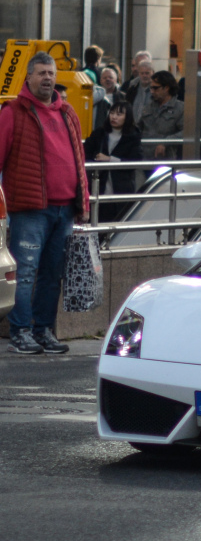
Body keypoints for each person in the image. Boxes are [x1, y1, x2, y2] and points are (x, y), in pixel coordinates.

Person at [0, 52, 90, 354]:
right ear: (28, 77)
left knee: (53, 274)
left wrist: (83, 204)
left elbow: (79, 161)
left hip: (64, 209)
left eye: (51, 73)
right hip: (30, 209)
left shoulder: (68, 113)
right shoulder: (13, 112)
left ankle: (43, 330)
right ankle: (21, 331)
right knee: (25, 272)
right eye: (41, 73)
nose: (47, 78)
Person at [83, 101, 143, 222]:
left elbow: (135, 161)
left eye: (119, 114)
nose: (114, 117)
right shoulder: (100, 133)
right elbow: (85, 152)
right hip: (97, 184)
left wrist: (110, 159)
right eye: (112, 113)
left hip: (120, 187)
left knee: (117, 221)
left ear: (128, 117)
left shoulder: (133, 136)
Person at [138, 70, 183, 159]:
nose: (152, 91)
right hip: (144, 157)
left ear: (166, 88)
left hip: (166, 159)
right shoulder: (149, 107)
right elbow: (139, 128)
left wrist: (166, 142)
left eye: (155, 88)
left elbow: (187, 132)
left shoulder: (180, 108)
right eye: (151, 88)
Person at [129, 59, 154, 124]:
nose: (144, 75)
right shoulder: (132, 89)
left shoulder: (156, 90)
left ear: (152, 73)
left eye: (147, 73)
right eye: (142, 73)